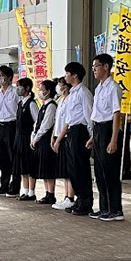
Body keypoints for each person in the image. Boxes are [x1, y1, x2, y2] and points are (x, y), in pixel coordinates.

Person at [89, 53, 124, 221]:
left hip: (108, 130)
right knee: (100, 172)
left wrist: (114, 139)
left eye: (96, 66)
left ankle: (115, 210)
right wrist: (92, 137)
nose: (94, 69)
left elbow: (117, 114)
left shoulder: (113, 88)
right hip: (98, 130)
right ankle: (104, 208)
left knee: (110, 172)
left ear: (106, 67)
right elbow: (97, 114)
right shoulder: (99, 87)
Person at [56, 62, 94, 216]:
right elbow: (68, 118)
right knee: (73, 169)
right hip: (72, 132)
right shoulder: (72, 93)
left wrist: (92, 136)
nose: (65, 77)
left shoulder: (83, 93)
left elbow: (89, 114)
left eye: (67, 74)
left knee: (81, 168)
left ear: (74, 75)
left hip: (81, 131)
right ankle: (79, 199)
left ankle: (86, 202)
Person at [0, 66, 19, 196]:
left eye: (2, 75)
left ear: (9, 77)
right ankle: (4, 184)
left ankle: (15, 186)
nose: (0, 78)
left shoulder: (15, 92)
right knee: (0, 157)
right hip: (0, 125)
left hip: (11, 125)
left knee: (12, 156)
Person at [32, 79, 59, 204]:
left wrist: (36, 137)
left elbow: (46, 125)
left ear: (48, 92)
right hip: (40, 140)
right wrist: (33, 136)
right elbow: (37, 123)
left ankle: (51, 193)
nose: (40, 92)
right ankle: (47, 192)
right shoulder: (43, 105)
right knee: (43, 167)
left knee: (48, 168)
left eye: (42, 90)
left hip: (46, 140)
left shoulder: (51, 106)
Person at [52, 77, 75, 210]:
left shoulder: (70, 99)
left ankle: (71, 197)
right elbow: (57, 121)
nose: (58, 87)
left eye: (60, 85)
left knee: (69, 170)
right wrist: (53, 138)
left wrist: (59, 139)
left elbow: (67, 122)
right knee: (64, 170)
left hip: (65, 137)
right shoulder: (61, 100)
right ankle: (66, 196)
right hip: (58, 136)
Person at [14, 77, 39, 201]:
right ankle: (25, 190)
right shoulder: (20, 103)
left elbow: (37, 121)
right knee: (22, 166)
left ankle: (32, 191)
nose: (18, 89)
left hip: (28, 138)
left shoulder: (32, 103)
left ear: (27, 88)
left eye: (20, 86)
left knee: (29, 165)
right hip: (19, 137)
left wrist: (34, 137)